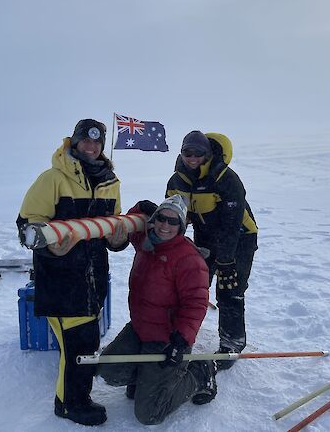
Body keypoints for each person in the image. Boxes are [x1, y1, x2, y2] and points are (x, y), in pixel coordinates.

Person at [16, 118, 129, 426]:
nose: (91, 147)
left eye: (97, 143)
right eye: (85, 141)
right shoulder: (52, 179)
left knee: (83, 343)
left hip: (93, 280)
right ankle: (71, 404)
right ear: (75, 141)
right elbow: (26, 226)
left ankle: (71, 397)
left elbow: (112, 229)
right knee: (78, 345)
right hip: (61, 279)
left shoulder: (110, 182)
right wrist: (50, 247)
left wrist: (118, 240)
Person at [97, 195, 217, 426]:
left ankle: (200, 373)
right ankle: (147, 379)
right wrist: (142, 206)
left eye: (173, 222)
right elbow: (131, 220)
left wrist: (180, 341)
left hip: (167, 337)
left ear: (181, 227)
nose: (165, 225)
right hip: (141, 328)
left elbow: (196, 304)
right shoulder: (145, 240)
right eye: (161, 218)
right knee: (109, 371)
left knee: (149, 413)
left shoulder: (189, 259)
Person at [166, 131, 258, 370]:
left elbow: (232, 222)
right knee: (193, 287)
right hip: (205, 237)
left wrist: (227, 260)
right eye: (188, 152)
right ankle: (178, 336)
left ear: (208, 154)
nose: (193, 158)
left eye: (199, 153)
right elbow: (173, 216)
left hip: (239, 238)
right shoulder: (177, 181)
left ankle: (231, 344)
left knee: (230, 290)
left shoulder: (226, 179)